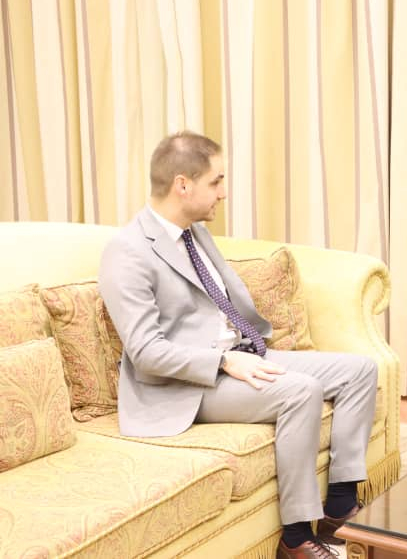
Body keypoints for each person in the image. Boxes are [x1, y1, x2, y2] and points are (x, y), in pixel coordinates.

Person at [99, 131, 377, 559]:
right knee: (300, 392)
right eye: (216, 181)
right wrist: (223, 361)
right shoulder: (128, 252)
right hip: (183, 386)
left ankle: (339, 510)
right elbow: (146, 353)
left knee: (360, 370)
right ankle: (296, 537)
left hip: (241, 357)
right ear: (183, 184)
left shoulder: (193, 233)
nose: (223, 193)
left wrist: (245, 350)